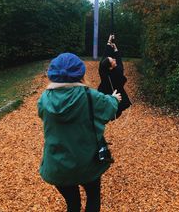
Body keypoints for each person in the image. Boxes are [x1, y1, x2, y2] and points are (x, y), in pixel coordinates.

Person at [37, 52, 121, 212]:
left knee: (73, 204)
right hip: (87, 163)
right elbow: (109, 109)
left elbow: (42, 114)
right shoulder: (89, 96)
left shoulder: (44, 98)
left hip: (58, 166)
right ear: (80, 74)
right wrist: (114, 98)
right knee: (93, 198)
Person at [98, 35, 132, 118]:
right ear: (110, 67)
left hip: (105, 93)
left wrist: (109, 42)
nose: (114, 59)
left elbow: (104, 56)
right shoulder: (117, 72)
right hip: (115, 95)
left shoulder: (102, 71)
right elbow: (120, 64)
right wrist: (116, 50)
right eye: (112, 60)